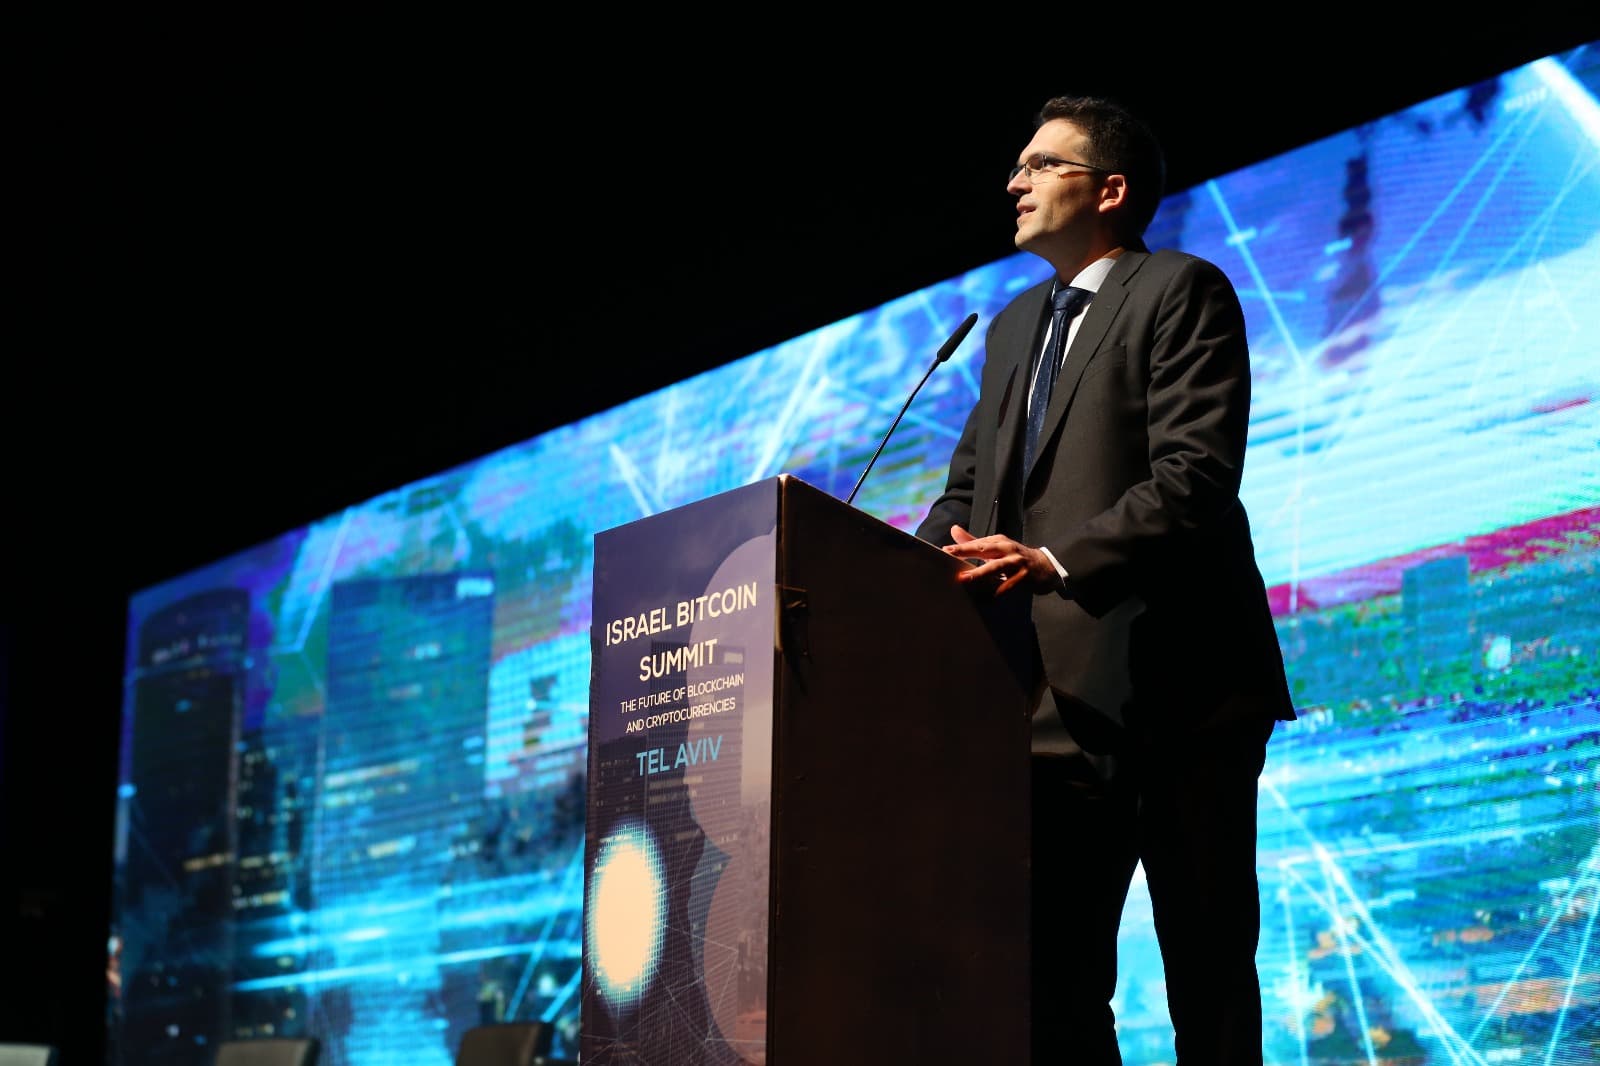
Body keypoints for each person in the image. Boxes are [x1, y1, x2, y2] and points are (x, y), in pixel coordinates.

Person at [915, 94, 1297, 1064]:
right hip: (1049, 707)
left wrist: (1051, 560)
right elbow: (967, 492)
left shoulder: (1179, 288)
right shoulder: (1010, 329)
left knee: (1206, 968)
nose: (1015, 182)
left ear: (1111, 189)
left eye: (1041, 164)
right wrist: (901, 568)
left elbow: (1194, 476)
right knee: (1050, 982)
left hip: (1182, 690)